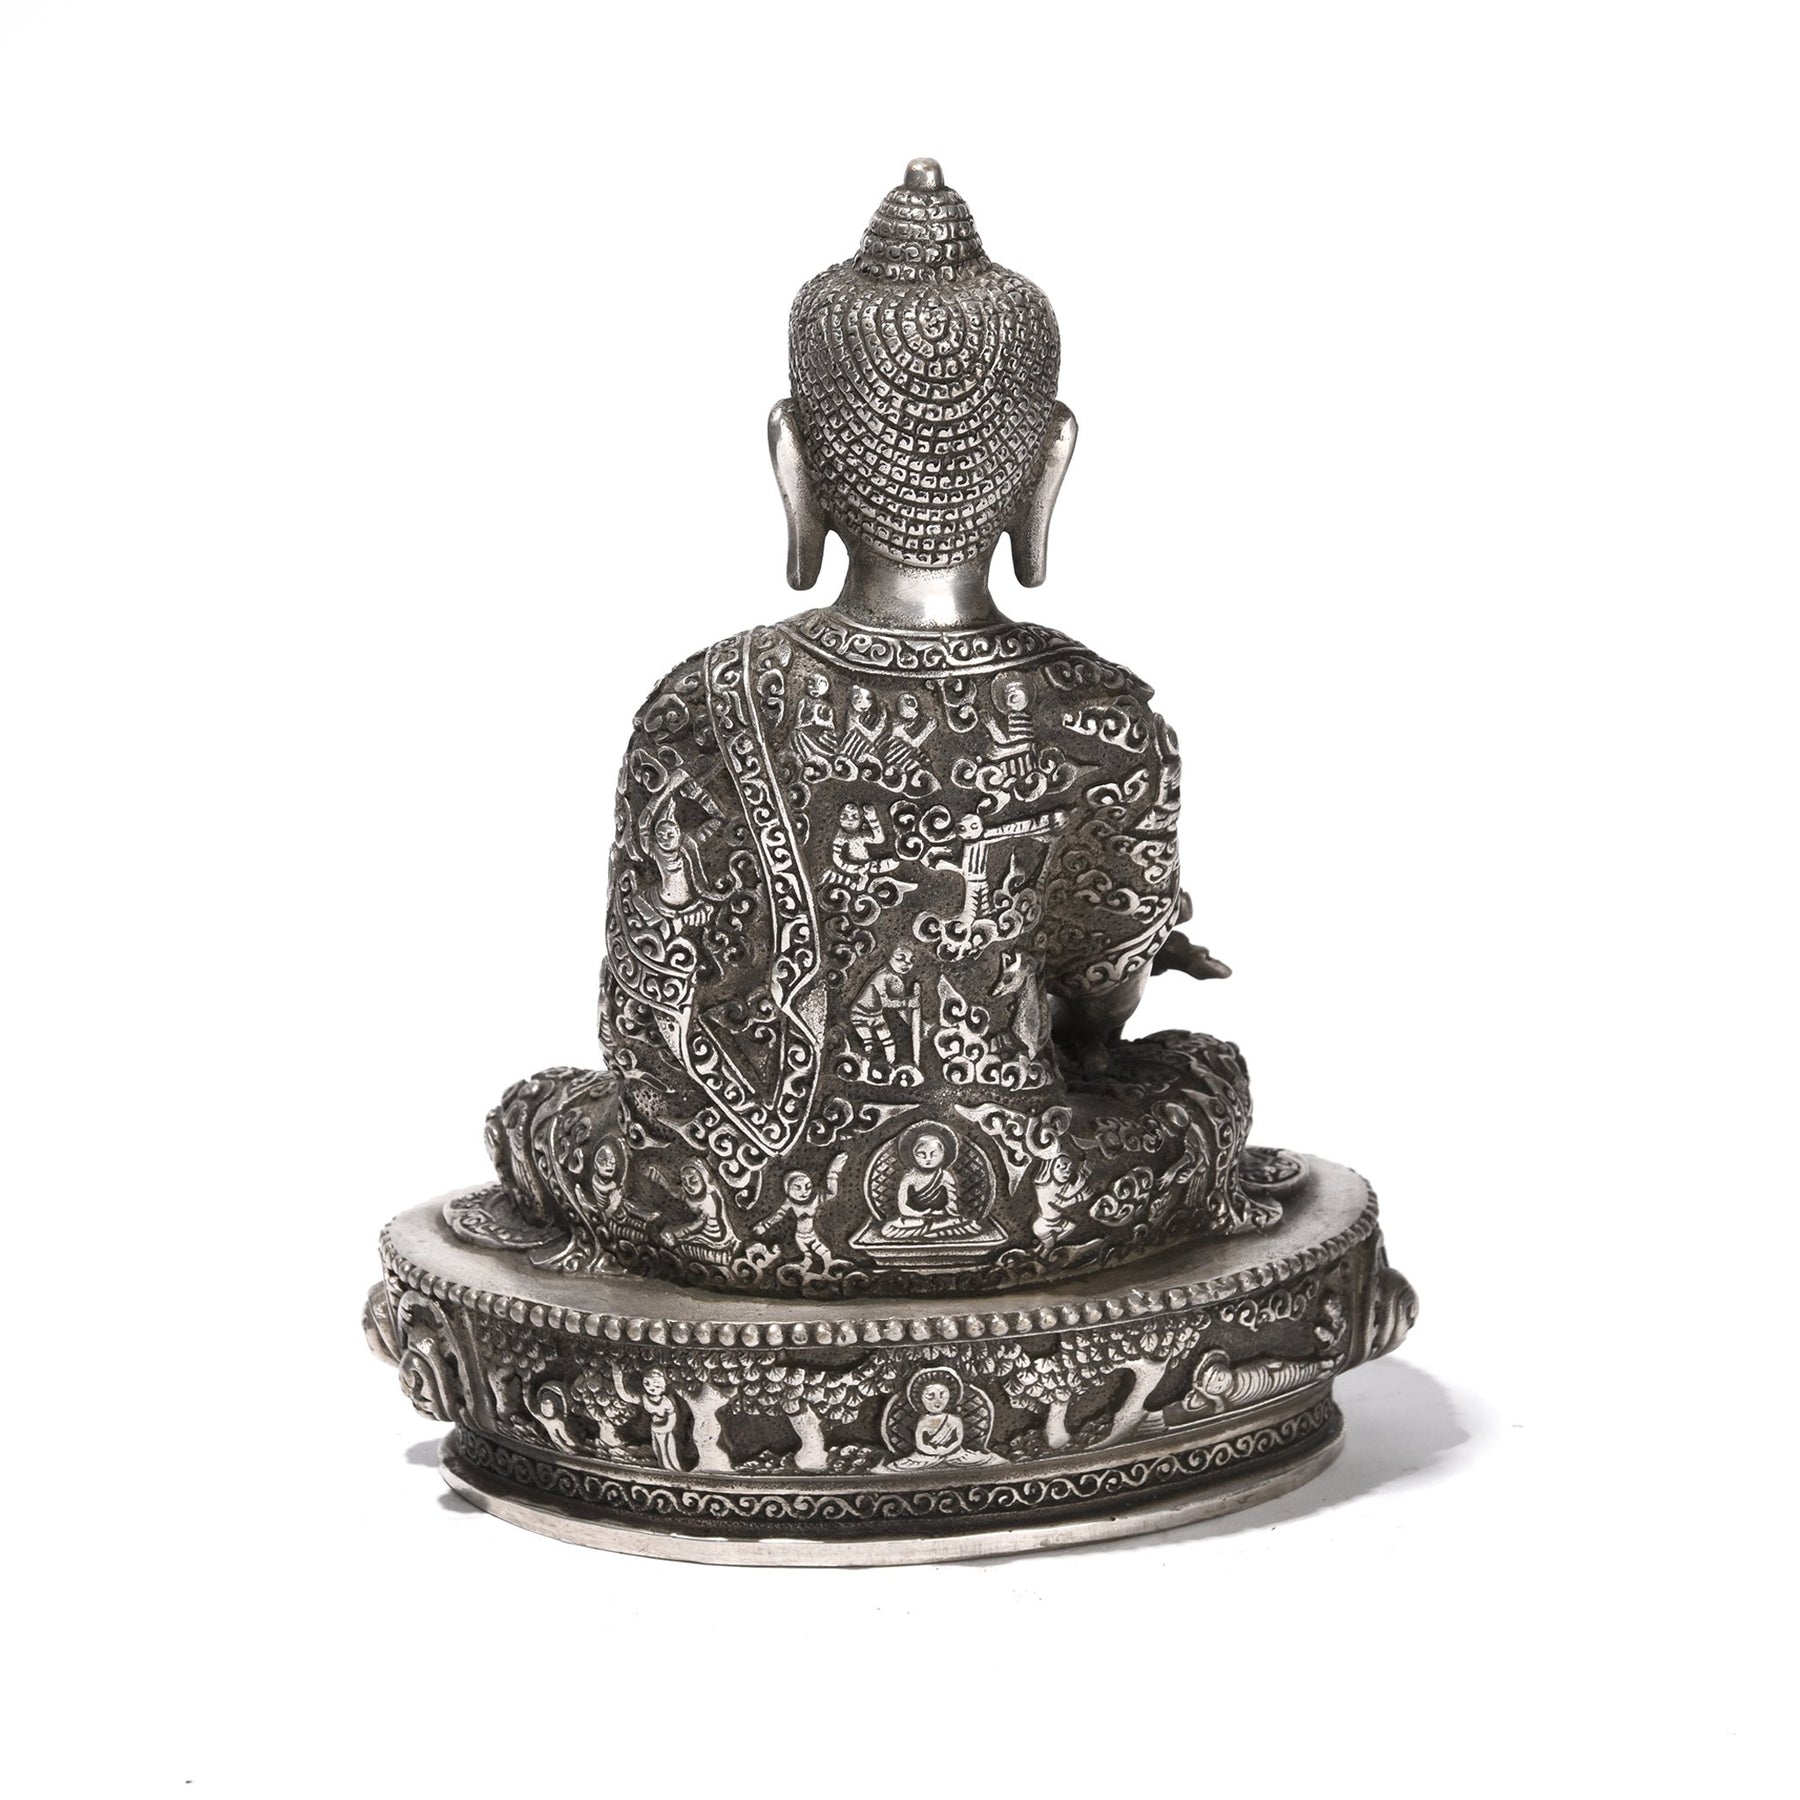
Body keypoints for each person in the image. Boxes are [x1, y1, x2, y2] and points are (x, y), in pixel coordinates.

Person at [887, 1129, 976, 1239]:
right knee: (890, 1228)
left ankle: (933, 1229)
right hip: (916, 1219)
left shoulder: (945, 1176)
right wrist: (920, 1214)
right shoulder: (909, 1177)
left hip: (941, 1218)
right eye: (921, 1154)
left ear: (943, 1154)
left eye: (934, 1154)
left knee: (959, 1222)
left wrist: (940, 1213)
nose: (928, 1159)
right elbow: (903, 1206)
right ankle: (935, 1230)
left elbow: (951, 1204)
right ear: (913, 1155)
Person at [850, 945, 919, 1068]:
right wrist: (908, 1002)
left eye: (911, 960)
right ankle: (869, 1067)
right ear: (889, 957)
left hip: (876, 1015)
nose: (907, 963)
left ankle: (891, 1066)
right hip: (859, 1015)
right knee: (869, 1044)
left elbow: (901, 1008)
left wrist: (913, 1021)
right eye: (900, 958)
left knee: (888, 1042)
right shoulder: (882, 976)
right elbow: (886, 1003)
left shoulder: (895, 978)